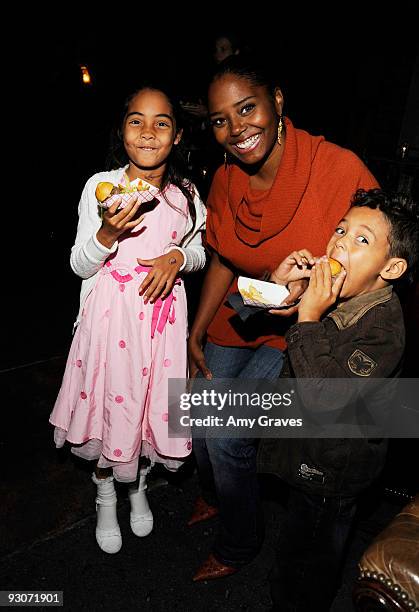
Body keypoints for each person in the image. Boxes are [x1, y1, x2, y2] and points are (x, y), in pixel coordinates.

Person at [187, 55, 380, 581]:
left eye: (246, 108)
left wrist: (324, 283)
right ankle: (216, 494)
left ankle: (238, 543)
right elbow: (225, 258)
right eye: (220, 120)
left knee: (227, 432)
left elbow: (381, 250)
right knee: (200, 421)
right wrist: (197, 329)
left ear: (276, 100)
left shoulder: (338, 167)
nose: (235, 129)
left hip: (302, 329)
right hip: (245, 314)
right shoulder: (226, 181)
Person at [49, 85, 206, 554]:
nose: (148, 132)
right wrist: (105, 234)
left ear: (177, 135)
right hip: (110, 323)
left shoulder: (187, 194)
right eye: (137, 120)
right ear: (122, 129)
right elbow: (80, 264)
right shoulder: (101, 185)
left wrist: (177, 256)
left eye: (162, 123)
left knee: (143, 411)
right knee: (109, 408)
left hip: (160, 327)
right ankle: (103, 492)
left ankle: (136, 485)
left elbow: (199, 249)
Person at [258, 187, 419, 611]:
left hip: (332, 469)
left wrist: (309, 316)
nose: (340, 243)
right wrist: (280, 289)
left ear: (392, 267)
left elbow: (325, 398)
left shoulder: (384, 329)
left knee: (307, 567)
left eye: (362, 240)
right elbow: (249, 313)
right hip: (306, 449)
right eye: (340, 229)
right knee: (295, 542)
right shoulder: (338, 290)